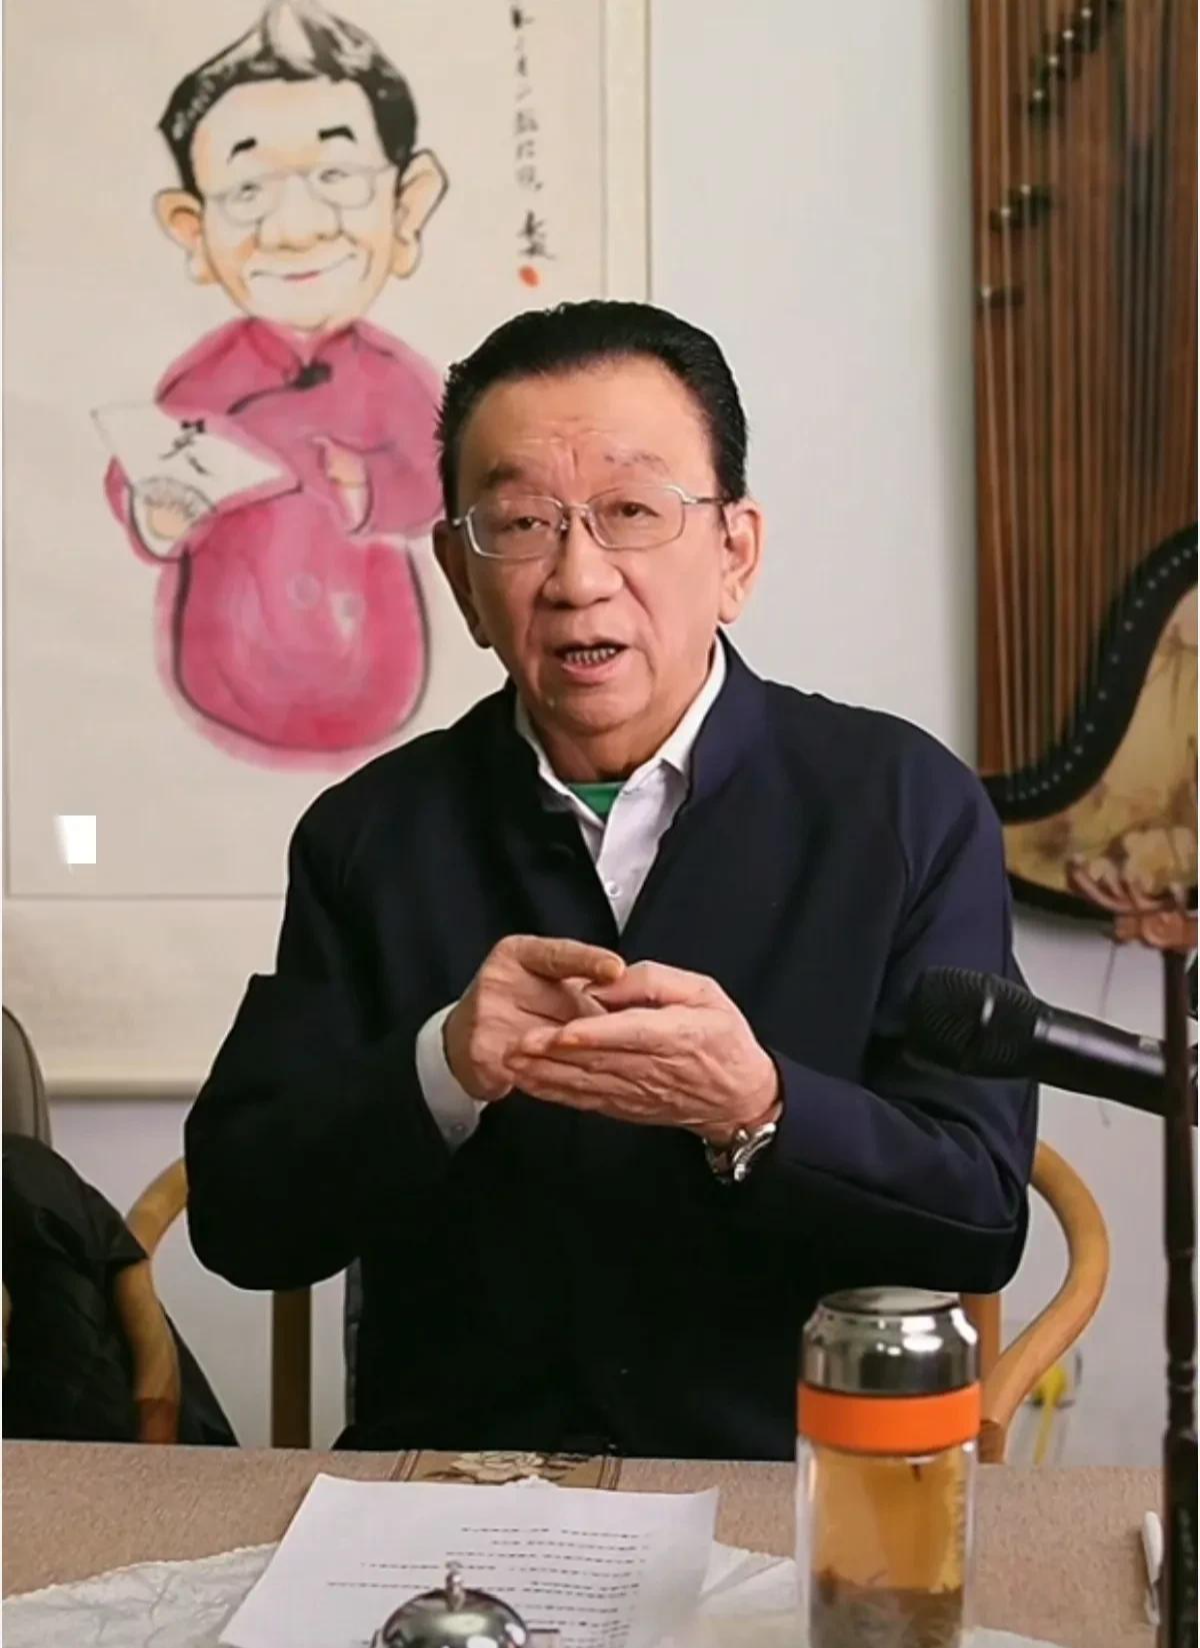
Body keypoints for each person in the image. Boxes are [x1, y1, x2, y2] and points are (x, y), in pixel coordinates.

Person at [186, 300, 1037, 1459]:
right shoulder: (368, 835)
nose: (579, 578)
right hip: (449, 1489)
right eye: (521, 524)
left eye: (633, 512)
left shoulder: (905, 807)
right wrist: (440, 1066)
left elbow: (979, 1217)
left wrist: (759, 1108)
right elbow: (243, 1222)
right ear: (460, 576)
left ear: (734, 553)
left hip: (790, 1488)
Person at [104, 0, 447, 755]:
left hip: (376, 677)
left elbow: (440, 479)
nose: (295, 228)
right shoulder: (206, 376)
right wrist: (156, 512)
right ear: (193, 229)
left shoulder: (396, 378)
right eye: (248, 192)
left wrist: (368, 488)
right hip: (219, 679)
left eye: (337, 176)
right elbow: (140, 463)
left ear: (406, 208)